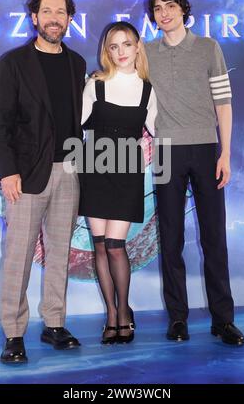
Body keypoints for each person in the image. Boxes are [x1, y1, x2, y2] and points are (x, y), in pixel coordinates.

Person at [0, 0, 86, 363]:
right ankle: (14, 334)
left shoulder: (76, 63)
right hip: (27, 174)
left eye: (61, 12)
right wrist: (8, 172)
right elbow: (0, 123)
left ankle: (54, 324)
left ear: (68, 19)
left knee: (60, 252)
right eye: (47, 11)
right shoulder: (13, 63)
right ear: (34, 17)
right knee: (18, 254)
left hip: (69, 171)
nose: (54, 18)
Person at [145, 0, 244, 346]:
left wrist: (225, 153)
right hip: (166, 151)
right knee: (170, 240)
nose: (164, 13)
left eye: (170, 6)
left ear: (183, 10)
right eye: (157, 9)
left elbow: (224, 103)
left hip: (206, 149)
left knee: (214, 239)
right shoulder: (146, 52)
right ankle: (178, 319)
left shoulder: (208, 48)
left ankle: (224, 320)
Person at [79, 21, 157, 344]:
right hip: (95, 168)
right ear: (107, 52)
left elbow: (160, 130)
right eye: (114, 46)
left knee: (115, 246)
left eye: (127, 44)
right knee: (99, 244)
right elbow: (78, 125)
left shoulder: (147, 90)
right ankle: (111, 316)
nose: (121, 51)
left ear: (137, 47)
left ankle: (124, 311)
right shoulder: (94, 86)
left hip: (126, 171)